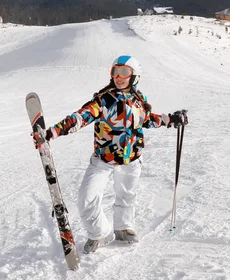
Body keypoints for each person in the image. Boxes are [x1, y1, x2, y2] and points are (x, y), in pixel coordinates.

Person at [34, 55, 188, 254]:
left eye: (124, 72)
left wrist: (171, 119)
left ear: (135, 76)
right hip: (103, 159)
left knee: (126, 195)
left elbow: (148, 119)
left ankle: (123, 227)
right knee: (86, 198)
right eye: (115, 71)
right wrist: (53, 132)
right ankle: (100, 233)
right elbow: (80, 117)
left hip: (132, 159)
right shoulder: (104, 101)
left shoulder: (139, 101)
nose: (118, 76)